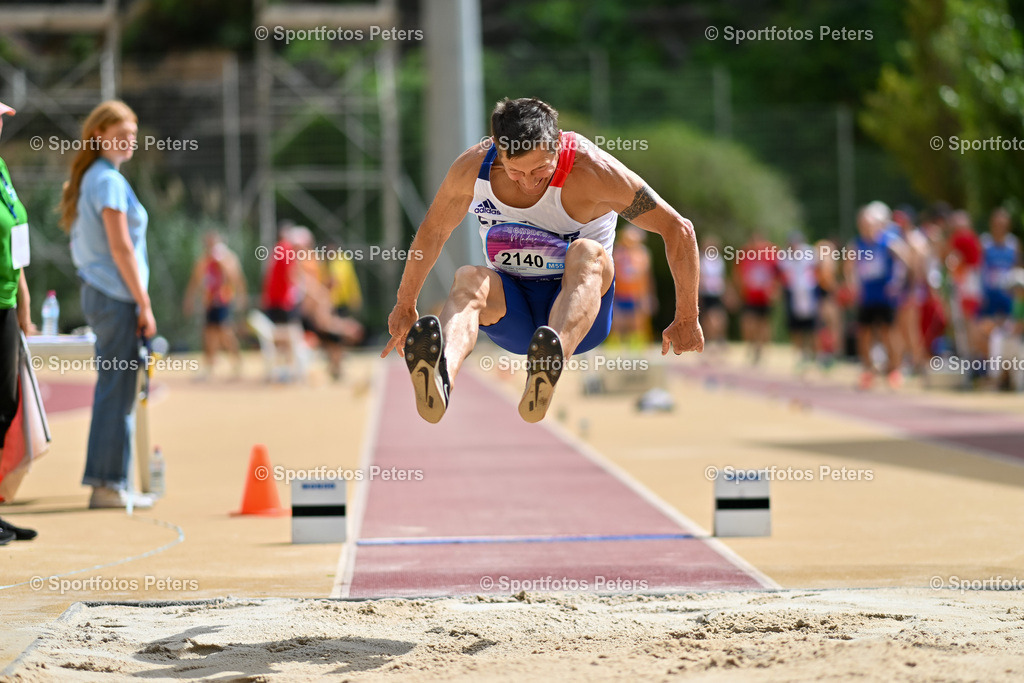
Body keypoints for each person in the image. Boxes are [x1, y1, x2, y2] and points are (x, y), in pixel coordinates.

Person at [381, 97, 703, 423]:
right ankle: (442, 372)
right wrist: (405, 303)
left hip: (580, 311)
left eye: (540, 169)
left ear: (558, 144)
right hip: (514, 311)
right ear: (496, 149)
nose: (529, 182)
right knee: (468, 278)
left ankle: (550, 360)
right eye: (515, 171)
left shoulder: (594, 170)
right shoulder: (472, 169)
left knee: (587, 252)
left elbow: (678, 229)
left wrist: (687, 316)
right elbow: (432, 232)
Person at [59, 100, 155, 509]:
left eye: (133, 134)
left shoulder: (94, 177)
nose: (129, 141)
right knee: (118, 389)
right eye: (121, 134)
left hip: (102, 292)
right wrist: (144, 303)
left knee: (114, 386)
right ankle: (107, 484)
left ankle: (109, 481)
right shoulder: (108, 181)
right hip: (115, 295)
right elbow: (121, 247)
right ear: (98, 135)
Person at [0, 99, 39, 542]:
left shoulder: (2, 169)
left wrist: (24, 302)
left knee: (4, 406)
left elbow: (17, 238)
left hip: (6, 301)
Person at [845, 202, 911, 390]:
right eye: (863, 224)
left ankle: (895, 370)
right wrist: (853, 286)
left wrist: (898, 283)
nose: (866, 227)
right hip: (867, 296)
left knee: (889, 333)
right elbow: (849, 266)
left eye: (869, 224)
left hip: (885, 296)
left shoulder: (888, 241)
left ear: (877, 224)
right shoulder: (857, 244)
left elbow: (904, 260)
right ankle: (868, 371)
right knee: (864, 334)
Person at [183, 231, 247, 379]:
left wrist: (241, 298)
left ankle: (237, 363)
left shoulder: (228, 258)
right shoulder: (204, 260)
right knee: (209, 334)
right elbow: (195, 280)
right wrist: (189, 300)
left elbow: (236, 279)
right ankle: (209, 366)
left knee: (225, 333)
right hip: (210, 302)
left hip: (223, 300)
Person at [321, 243, 365, 381]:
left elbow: (351, 280)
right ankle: (334, 362)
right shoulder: (322, 263)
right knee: (331, 336)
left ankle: (337, 363)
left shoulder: (343, 261)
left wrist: (355, 297)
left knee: (340, 336)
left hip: (341, 303)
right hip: (328, 305)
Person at [733, 232, 778, 365]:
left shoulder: (771, 254)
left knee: (763, 325)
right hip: (750, 296)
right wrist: (738, 291)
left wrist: (775, 290)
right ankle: (751, 346)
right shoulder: (744, 254)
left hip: (765, 297)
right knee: (748, 323)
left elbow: (778, 274)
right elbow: (737, 274)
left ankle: (761, 350)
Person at [776, 231, 818, 371]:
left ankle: (813, 353)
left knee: (811, 326)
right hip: (792, 293)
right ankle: (799, 353)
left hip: (809, 292)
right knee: (795, 326)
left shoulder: (810, 253)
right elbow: (781, 274)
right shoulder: (784, 256)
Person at [610, 224, 656, 349]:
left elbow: (647, 277)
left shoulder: (643, 254)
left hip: (637, 295)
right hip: (619, 293)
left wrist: (649, 296)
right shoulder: (617, 252)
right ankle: (614, 352)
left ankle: (637, 352)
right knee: (617, 323)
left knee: (638, 324)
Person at [698, 234, 728, 356]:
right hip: (706, 293)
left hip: (717, 293)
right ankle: (707, 341)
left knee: (719, 318)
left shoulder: (719, 261)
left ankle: (719, 338)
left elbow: (722, 278)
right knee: (708, 319)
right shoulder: (702, 260)